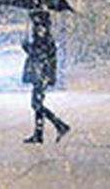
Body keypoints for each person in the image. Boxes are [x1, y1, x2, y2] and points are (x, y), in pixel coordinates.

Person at [22, 10, 70, 144]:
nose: (32, 25)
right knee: (38, 103)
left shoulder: (42, 36)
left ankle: (59, 125)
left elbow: (39, 54)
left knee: (36, 103)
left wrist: (27, 47)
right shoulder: (43, 36)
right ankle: (39, 133)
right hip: (42, 73)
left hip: (41, 74)